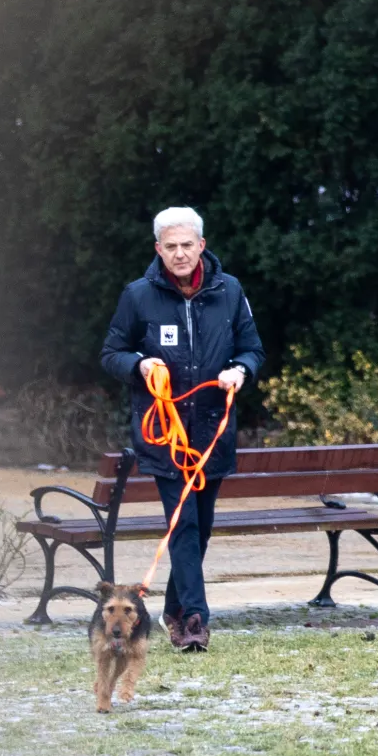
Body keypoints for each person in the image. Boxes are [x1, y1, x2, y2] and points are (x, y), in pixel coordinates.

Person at [100, 207, 265, 652]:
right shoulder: (138, 296)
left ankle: (173, 608)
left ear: (201, 246)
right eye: (170, 246)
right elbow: (111, 352)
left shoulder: (229, 291)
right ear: (158, 249)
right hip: (165, 435)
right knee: (185, 525)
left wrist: (240, 371)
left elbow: (253, 349)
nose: (179, 254)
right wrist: (139, 363)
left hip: (213, 431)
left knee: (202, 524)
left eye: (186, 245)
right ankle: (193, 622)